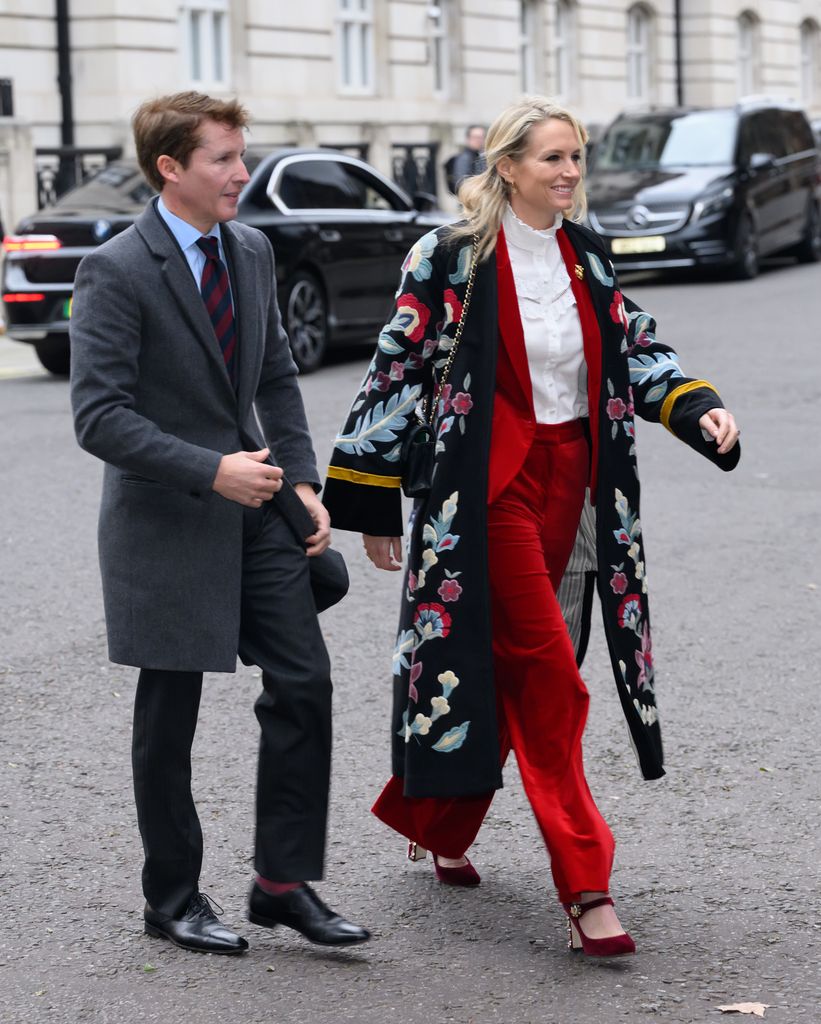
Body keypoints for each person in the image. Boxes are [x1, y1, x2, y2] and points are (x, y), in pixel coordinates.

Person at [323, 96, 740, 958]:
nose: (569, 173)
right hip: (487, 488)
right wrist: (370, 498)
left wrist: (696, 407)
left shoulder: (586, 253)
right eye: (552, 157)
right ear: (506, 166)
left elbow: (633, 347)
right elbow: (394, 367)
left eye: (576, 158)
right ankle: (586, 884)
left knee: (510, 655)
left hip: (575, 484)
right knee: (551, 671)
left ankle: (434, 817)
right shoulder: (447, 256)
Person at [69, 91, 369, 955]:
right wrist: (211, 468)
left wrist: (305, 483)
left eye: (242, 155)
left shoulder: (251, 249)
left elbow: (276, 373)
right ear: (171, 167)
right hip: (165, 525)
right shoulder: (118, 269)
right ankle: (172, 896)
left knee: (303, 682)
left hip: (260, 513)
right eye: (224, 159)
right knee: (171, 716)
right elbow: (99, 417)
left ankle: (281, 882)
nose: (243, 172)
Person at [445, 124, 487, 194]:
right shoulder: (464, 158)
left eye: (481, 137)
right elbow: (461, 183)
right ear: (468, 139)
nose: (479, 140)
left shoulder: (482, 156)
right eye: (475, 137)